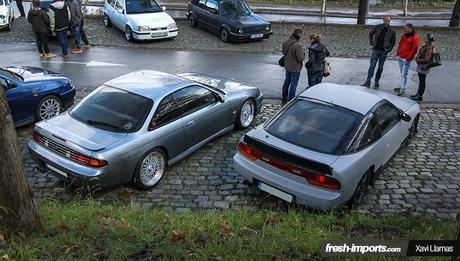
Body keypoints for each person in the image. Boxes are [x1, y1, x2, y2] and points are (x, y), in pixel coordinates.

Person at [362, 16, 396, 88]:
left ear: (390, 21)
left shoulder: (392, 30)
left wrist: (388, 49)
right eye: (386, 21)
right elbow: (371, 34)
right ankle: (368, 81)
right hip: (376, 50)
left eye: (388, 21)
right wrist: (371, 44)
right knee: (372, 65)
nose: (387, 22)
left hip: (384, 51)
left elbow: (393, 42)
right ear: (383, 20)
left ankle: (377, 80)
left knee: (380, 67)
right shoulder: (378, 27)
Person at [394, 23, 420, 97]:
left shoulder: (415, 37)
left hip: (406, 58)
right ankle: (402, 86)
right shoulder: (404, 35)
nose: (404, 30)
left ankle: (403, 89)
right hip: (401, 56)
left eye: (406, 28)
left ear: (410, 28)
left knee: (404, 74)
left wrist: (408, 57)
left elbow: (414, 49)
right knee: (402, 73)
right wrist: (398, 52)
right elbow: (400, 43)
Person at [281, 29, 305, 103]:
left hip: (287, 66)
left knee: (286, 82)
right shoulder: (297, 45)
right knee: (293, 84)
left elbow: (283, 53)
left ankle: (284, 97)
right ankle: (291, 100)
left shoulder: (285, 43)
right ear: (299, 35)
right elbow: (300, 58)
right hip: (295, 68)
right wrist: (303, 53)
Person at [411, 33, 435, 101]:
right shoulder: (426, 45)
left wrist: (418, 60)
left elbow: (427, 59)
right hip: (422, 66)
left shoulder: (429, 47)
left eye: (425, 38)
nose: (424, 38)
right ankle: (418, 94)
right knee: (421, 81)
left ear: (428, 40)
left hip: (423, 66)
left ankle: (419, 95)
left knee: (422, 81)